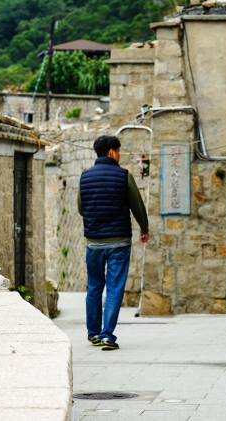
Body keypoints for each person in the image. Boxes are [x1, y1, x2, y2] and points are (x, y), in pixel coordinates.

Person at [78, 135, 149, 351]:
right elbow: (137, 206)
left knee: (94, 287)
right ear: (111, 152)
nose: (119, 155)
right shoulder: (124, 175)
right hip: (119, 241)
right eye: (118, 151)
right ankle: (107, 335)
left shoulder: (85, 176)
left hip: (93, 243)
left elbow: (81, 208)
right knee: (115, 288)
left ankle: (93, 333)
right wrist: (144, 229)